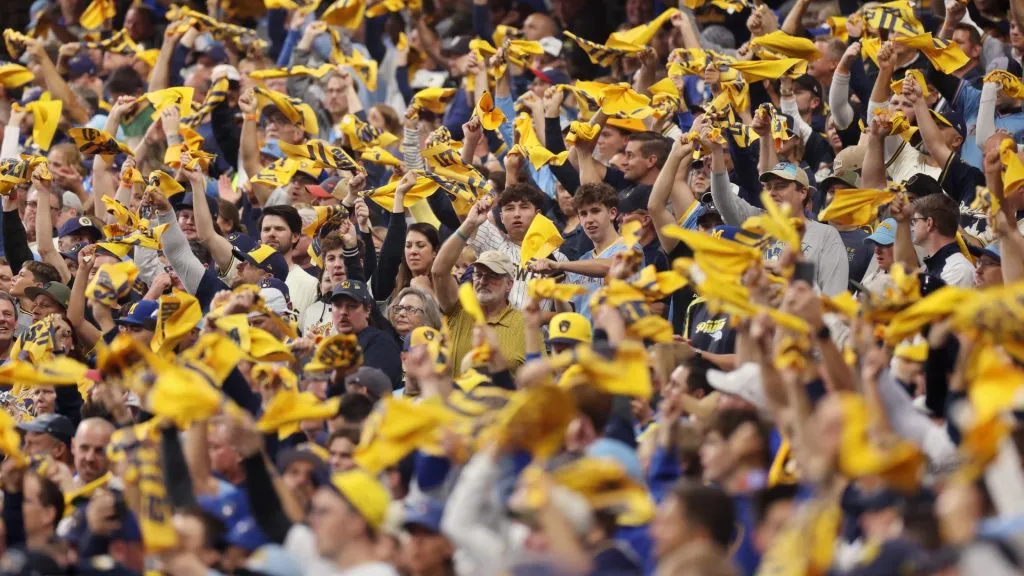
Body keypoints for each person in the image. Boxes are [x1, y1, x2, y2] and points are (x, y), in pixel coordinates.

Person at [330, 279, 403, 390]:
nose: (343, 312)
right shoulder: (330, 345)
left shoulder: (381, 343)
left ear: (367, 310)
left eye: (352, 306)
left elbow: (371, 390)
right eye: (338, 306)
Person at [892, 192, 975, 288]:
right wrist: (902, 221)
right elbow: (904, 267)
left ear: (929, 223)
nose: (912, 228)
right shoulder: (934, 266)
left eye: (915, 221)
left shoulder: (957, 269)